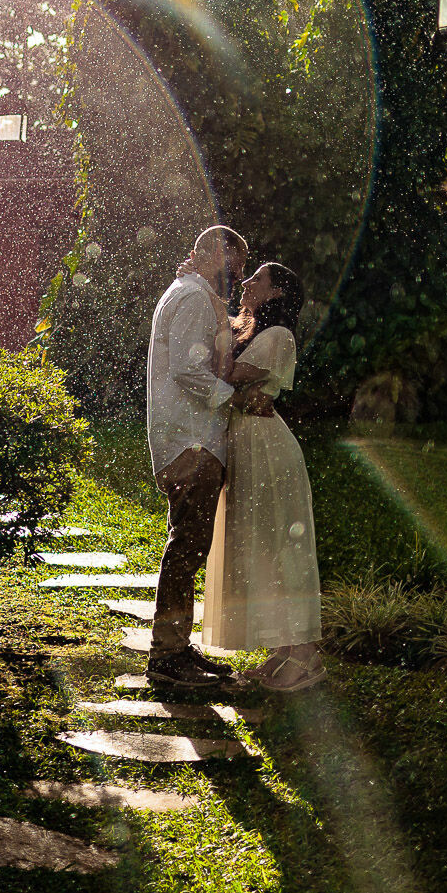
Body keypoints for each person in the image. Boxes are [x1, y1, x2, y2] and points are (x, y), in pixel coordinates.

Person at [202, 262, 324, 692]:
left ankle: (306, 656)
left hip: (268, 450)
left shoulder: (278, 336)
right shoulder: (255, 332)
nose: (247, 283)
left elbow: (225, 374)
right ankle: (281, 650)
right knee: (261, 544)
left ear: (275, 294)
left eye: (257, 279)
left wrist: (215, 316)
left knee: (279, 543)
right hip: (249, 443)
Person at [144, 225, 251, 688]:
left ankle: (177, 647)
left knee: (188, 545)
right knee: (186, 547)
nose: (239, 274)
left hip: (193, 438)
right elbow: (188, 369)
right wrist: (233, 398)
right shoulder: (190, 295)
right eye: (237, 262)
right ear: (213, 252)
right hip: (190, 441)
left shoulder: (194, 292)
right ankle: (166, 660)